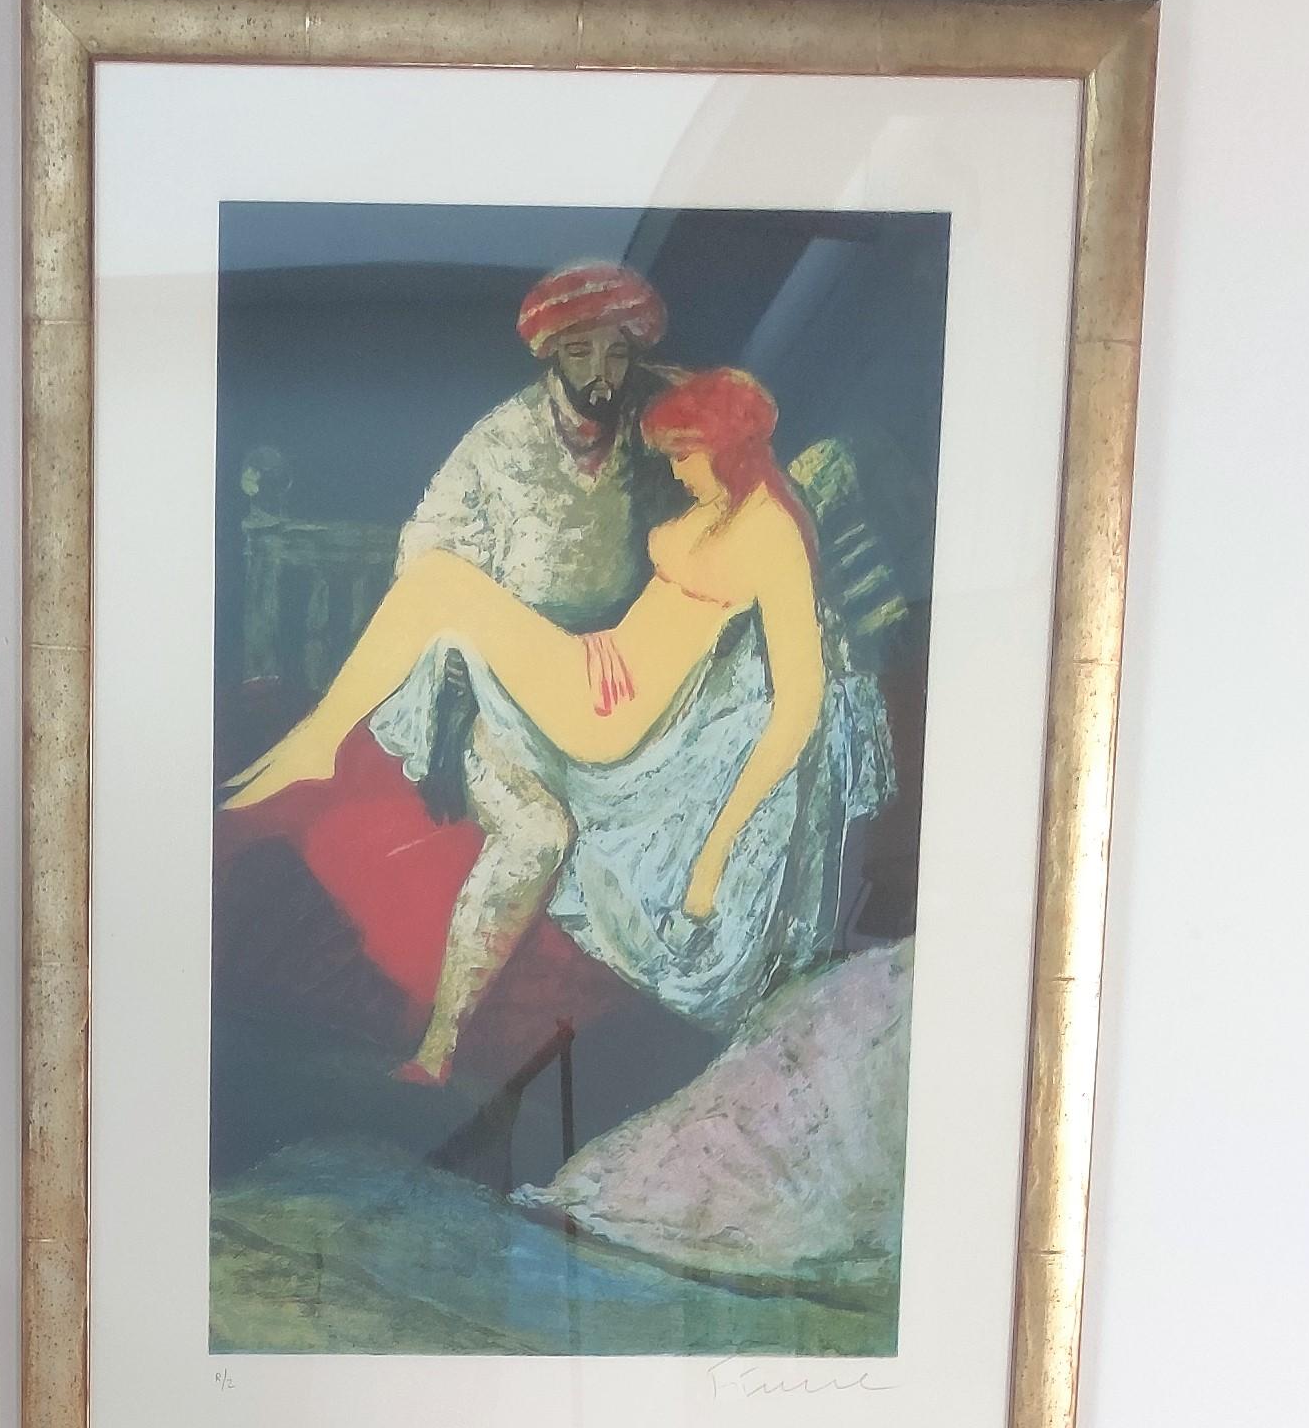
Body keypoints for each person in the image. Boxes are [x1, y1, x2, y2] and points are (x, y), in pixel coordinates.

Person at [227, 369, 892, 1069]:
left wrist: (713, 853)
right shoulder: (724, 503)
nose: (675, 468)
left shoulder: (774, 533)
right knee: (440, 589)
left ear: (726, 445)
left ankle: (317, 741)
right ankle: (319, 740)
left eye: (683, 452)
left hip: (613, 712)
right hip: (597, 664)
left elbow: (799, 705)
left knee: (440, 583)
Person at [368, 262, 675, 1083]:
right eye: (580, 351)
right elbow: (426, 550)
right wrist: (470, 648)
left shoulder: (659, 415)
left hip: (625, 680)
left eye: (617, 353)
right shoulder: (498, 442)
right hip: (500, 685)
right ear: (549, 356)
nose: (600, 374)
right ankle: (440, 1047)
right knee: (538, 833)